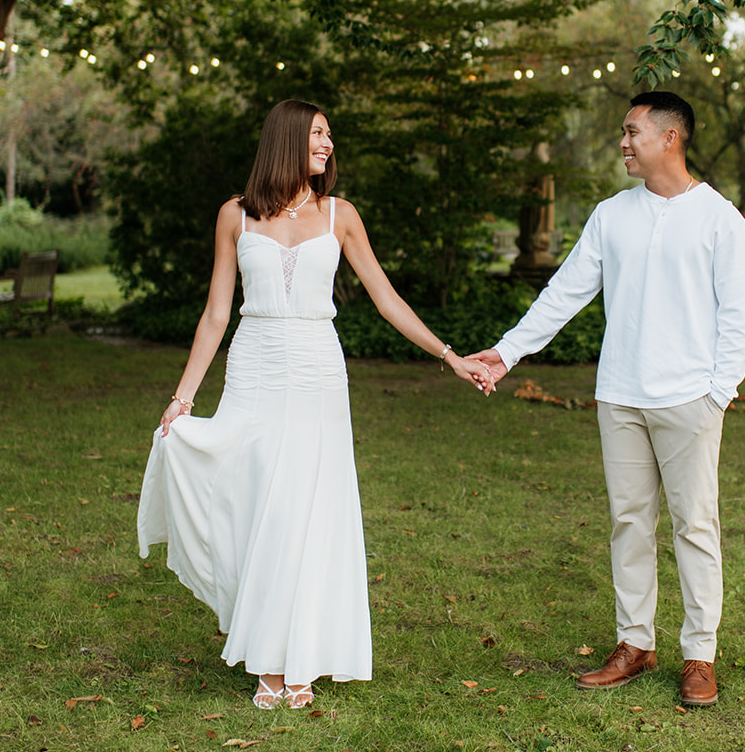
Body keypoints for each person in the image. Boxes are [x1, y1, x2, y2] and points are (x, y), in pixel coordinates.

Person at [137, 99, 492, 710]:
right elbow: (217, 312)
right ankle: (267, 653)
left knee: (309, 507)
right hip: (254, 367)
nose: (328, 145)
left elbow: (386, 299)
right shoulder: (235, 216)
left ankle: (299, 655)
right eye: (318, 135)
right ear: (286, 140)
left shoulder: (340, 215)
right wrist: (184, 395)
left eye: (330, 136)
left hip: (318, 371)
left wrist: (450, 354)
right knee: (260, 505)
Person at [473, 91, 745, 708]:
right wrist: (507, 352)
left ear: (669, 138)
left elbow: (740, 315)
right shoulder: (611, 215)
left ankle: (698, 656)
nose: (623, 143)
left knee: (695, 525)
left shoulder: (719, 218)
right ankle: (635, 644)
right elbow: (564, 292)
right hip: (620, 397)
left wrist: (717, 394)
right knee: (629, 523)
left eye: (632, 132)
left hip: (690, 400)